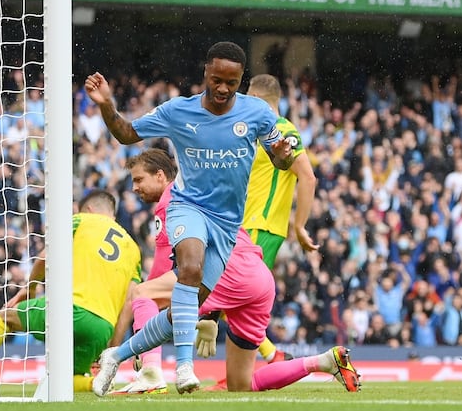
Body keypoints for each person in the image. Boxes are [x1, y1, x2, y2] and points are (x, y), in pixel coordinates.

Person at [85, 41, 295, 395]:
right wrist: (107, 106)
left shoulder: (258, 113)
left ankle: (115, 355)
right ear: (206, 74)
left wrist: (282, 155)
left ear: (241, 79)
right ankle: (184, 367)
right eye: (217, 79)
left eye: (232, 81)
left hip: (227, 225)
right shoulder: (178, 111)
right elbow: (125, 133)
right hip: (188, 206)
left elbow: (282, 160)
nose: (223, 88)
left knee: (186, 312)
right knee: (190, 268)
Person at [110, 148, 360, 394]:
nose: (135, 187)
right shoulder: (203, 192)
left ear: (161, 175)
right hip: (259, 279)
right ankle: (324, 361)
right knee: (241, 384)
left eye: (139, 179)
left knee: (143, 293)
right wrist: (210, 315)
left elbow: (164, 275)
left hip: (228, 273)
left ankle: (150, 373)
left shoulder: (171, 200)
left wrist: (142, 341)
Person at [0, 189, 141, 393]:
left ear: (88, 208)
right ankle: (93, 384)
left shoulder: (82, 220)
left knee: (6, 318)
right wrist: (112, 348)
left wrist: (29, 289)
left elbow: (44, 257)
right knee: (67, 381)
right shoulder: (133, 249)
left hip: (71, 309)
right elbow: (129, 303)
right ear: (112, 215)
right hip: (102, 327)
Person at [235, 74, 320, 366]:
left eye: (247, 96)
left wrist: (299, 225)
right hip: (244, 226)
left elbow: (308, 177)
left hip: (261, 225)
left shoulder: (282, 129)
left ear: (257, 99)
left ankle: (271, 357)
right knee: (231, 297)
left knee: (230, 293)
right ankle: (270, 357)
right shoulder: (257, 131)